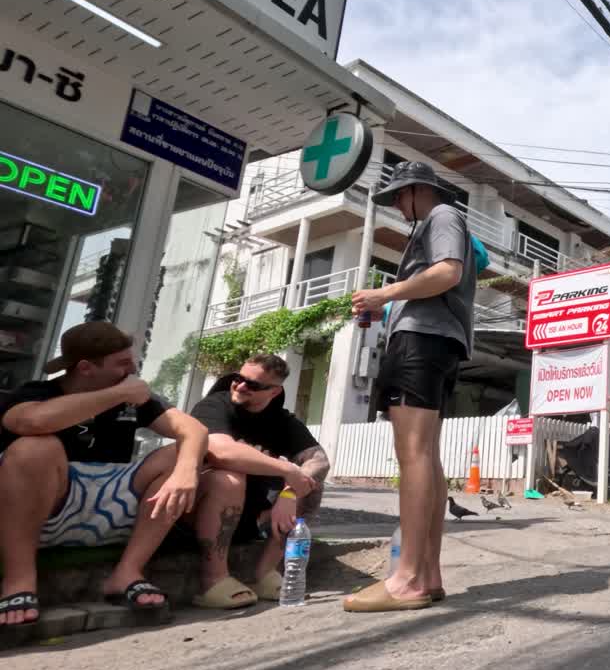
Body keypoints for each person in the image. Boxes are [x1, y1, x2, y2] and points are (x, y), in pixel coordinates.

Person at [0, 322, 208, 628]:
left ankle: (128, 572)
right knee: (34, 448)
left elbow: (194, 429)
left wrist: (186, 473)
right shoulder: (35, 393)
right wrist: (118, 393)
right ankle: (18, 579)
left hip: (111, 507)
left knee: (181, 454)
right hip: (46, 508)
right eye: (122, 363)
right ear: (85, 367)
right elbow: (32, 422)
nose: (133, 368)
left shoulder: (134, 399)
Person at [345, 161, 476, 613]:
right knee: (428, 458)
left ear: (420, 189)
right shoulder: (439, 221)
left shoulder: (442, 216)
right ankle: (429, 575)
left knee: (414, 454)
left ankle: (406, 579)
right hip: (435, 341)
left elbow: (447, 273)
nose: (399, 206)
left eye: (401, 195)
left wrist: (385, 295)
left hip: (421, 343)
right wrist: (389, 306)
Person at [186, 354, 330, 608]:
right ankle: (213, 580)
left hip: (252, 512)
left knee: (310, 483)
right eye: (238, 379)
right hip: (198, 509)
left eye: (253, 385)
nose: (240, 386)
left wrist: (290, 492)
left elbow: (318, 460)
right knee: (229, 478)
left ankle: (264, 573)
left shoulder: (281, 420)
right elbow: (223, 453)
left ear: (274, 392)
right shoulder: (213, 406)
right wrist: (288, 470)